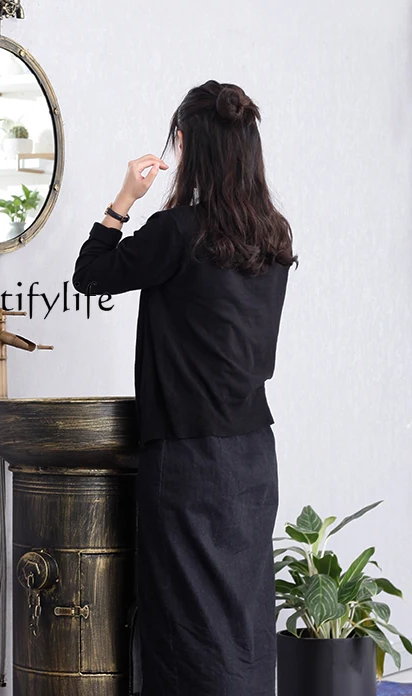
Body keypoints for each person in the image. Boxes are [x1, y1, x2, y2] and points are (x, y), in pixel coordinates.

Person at [72, 80, 297, 696]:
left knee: (183, 627)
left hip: (188, 460)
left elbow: (90, 275)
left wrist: (124, 198)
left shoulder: (177, 231)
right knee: (243, 623)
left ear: (189, 146)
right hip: (252, 456)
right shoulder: (273, 236)